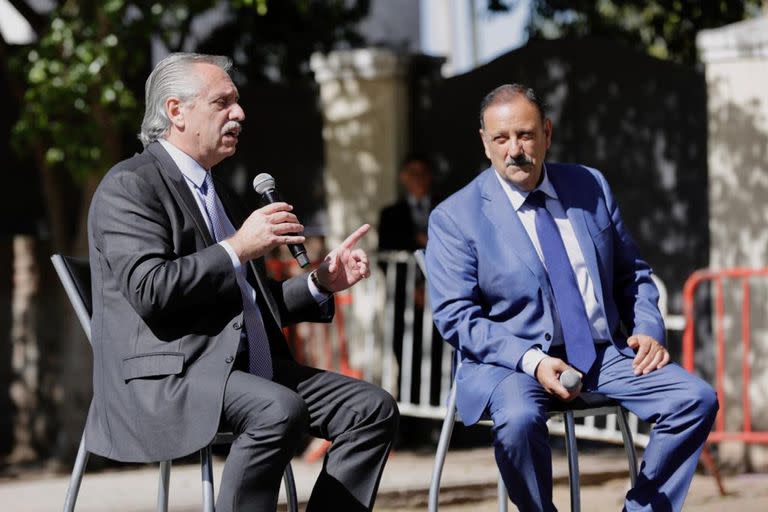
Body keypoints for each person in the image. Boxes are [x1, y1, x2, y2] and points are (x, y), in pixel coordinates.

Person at [85, 53, 398, 512]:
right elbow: (152, 291)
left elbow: (251, 303)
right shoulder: (131, 185)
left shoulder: (218, 192)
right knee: (277, 409)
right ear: (176, 111)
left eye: (238, 102)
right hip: (169, 374)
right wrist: (238, 247)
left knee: (372, 409)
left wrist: (320, 284)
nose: (240, 113)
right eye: (223, 102)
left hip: (238, 366)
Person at [425, 83, 717, 511]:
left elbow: (632, 272)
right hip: (513, 364)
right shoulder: (456, 216)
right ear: (485, 143)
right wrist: (534, 361)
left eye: (524, 135)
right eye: (501, 139)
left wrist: (648, 328)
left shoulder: (589, 185)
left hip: (603, 354)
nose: (515, 150)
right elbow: (456, 317)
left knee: (695, 400)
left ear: (547, 133)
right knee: (520, 420)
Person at [377, 156, 443, 406]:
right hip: (403, 300)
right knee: (405, 356)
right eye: (411, 173)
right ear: (403, 177)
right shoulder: (391, 214)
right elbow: (387, 257)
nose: (417, 178)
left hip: (439, 296)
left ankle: (442, 423)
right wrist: (413, 288)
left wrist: (431, 288)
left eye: (422, 172)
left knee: (439, 358)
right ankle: (411, 424)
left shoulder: (445, 207)